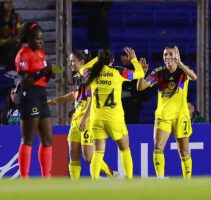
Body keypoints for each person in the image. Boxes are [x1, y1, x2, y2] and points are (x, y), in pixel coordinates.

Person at [47, 49, 117, 179]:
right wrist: (55, 100)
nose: (70, 64)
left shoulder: (88, 77)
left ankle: (112, 174)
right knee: (73, 153)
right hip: (76, 119)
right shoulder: (76, 77)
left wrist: (84, 120)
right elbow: (75, 95)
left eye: (72, 61)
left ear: (82, 62)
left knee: (89, 157)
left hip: (88, 119)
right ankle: (75, 186)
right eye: (70, 61)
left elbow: (91, 100)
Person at [79, 47, 145, 180]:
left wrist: (98, 58)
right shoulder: (118, 72)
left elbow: (81, 69)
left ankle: (95, 181)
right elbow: (140, 74)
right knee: (124, 148)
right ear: (113, 60)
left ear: (99, 59)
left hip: (97, 118)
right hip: (114, 118)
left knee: (98, 152)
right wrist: (133, 59)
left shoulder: (91, 73)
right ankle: (129, 180)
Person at [137, 45, 197, 179]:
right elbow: (141, 87)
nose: (167, 57)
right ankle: (160, 179)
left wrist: (180, 63)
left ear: (177, 55)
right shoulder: (158, 72)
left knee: (184, 151)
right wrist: (141, 73)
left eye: (170, 54)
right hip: (163, 116)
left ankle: (187, 181)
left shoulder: (183, 72)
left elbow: (194, 77)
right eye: (165, 55)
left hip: (181, 116)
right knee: (158, 146)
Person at [15, 22, 56, 179]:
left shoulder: (41, 53)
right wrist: (42, 72)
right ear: (30, 39)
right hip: (29, 95)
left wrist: (52, 72)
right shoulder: (23, 54)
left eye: (42, 39)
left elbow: (45, 75)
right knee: (29, 139)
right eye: (38, 40)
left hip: (41, 94)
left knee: (47, 139)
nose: (41, 42)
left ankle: (47, 177)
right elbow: (25, 80)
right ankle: (24, 177)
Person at [120, 48, 152, 124]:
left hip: (134, 110)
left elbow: (147, 95)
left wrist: (133, 95)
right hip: (119, 110)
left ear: (132, 56)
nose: (125, 57)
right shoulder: (118, 71)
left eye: (127, 55)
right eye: (123, 55)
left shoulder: (140, 70)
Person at [0, 1, 22, 71]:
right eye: (7, 2)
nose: (10, 5)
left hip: (12, 43)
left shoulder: (16, 17)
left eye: (11, 2)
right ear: (2, 4)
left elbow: (20, 30)